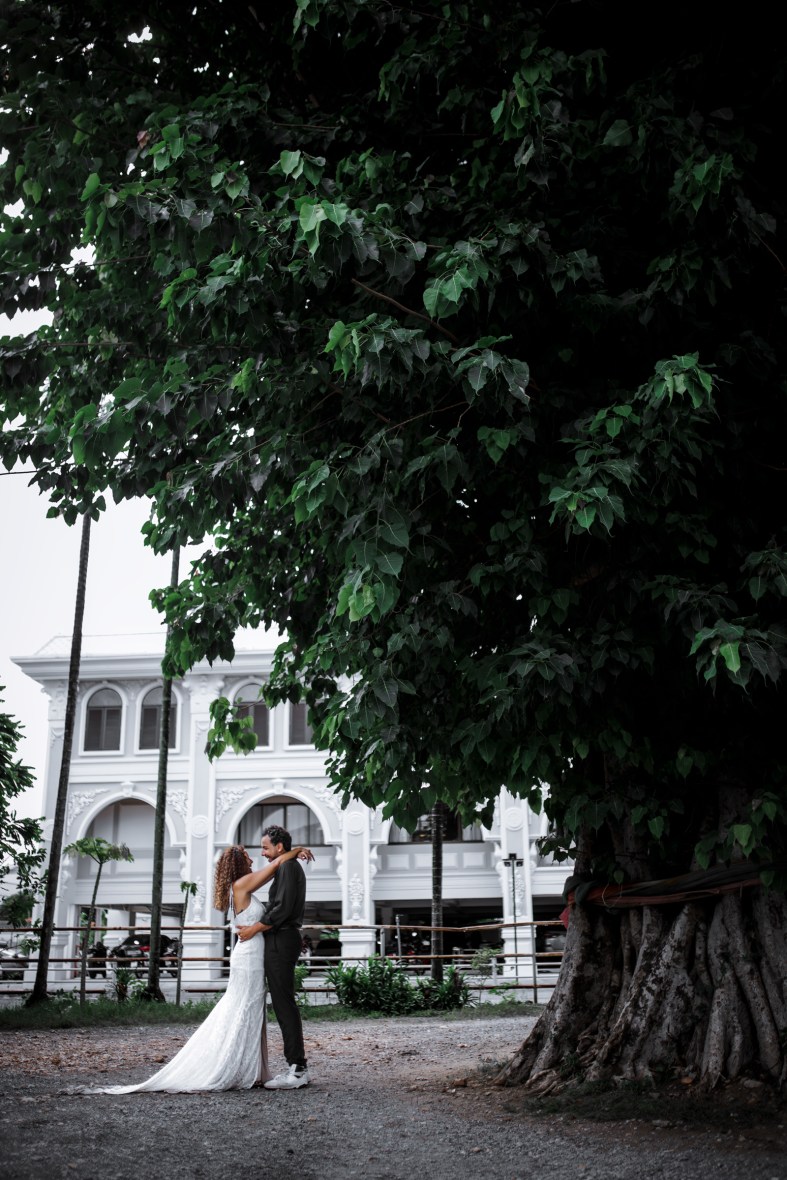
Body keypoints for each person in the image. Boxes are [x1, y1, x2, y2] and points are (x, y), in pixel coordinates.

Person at [94, 842, 313, 1093]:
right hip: (249, 956)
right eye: (247, 858)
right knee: (243, 1008)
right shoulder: (242, 885)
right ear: (239, 863)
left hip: (252, 954)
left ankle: (252, 1069)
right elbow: (275, 866)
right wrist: (295, 850)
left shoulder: (243, 885)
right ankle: (228, 1065)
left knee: (252, 1010)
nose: (253, 860)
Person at [236, 824, 311, 1089]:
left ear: (279, 847)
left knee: (283, 1003)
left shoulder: (289, 868)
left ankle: (298, 1069)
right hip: (279, 939)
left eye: (266, 847)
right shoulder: (285, 866)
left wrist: (255, 927)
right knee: (281, 1002)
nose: (263, 853)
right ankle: (295, 1065)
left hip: (282, 939)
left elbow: (281, 909)